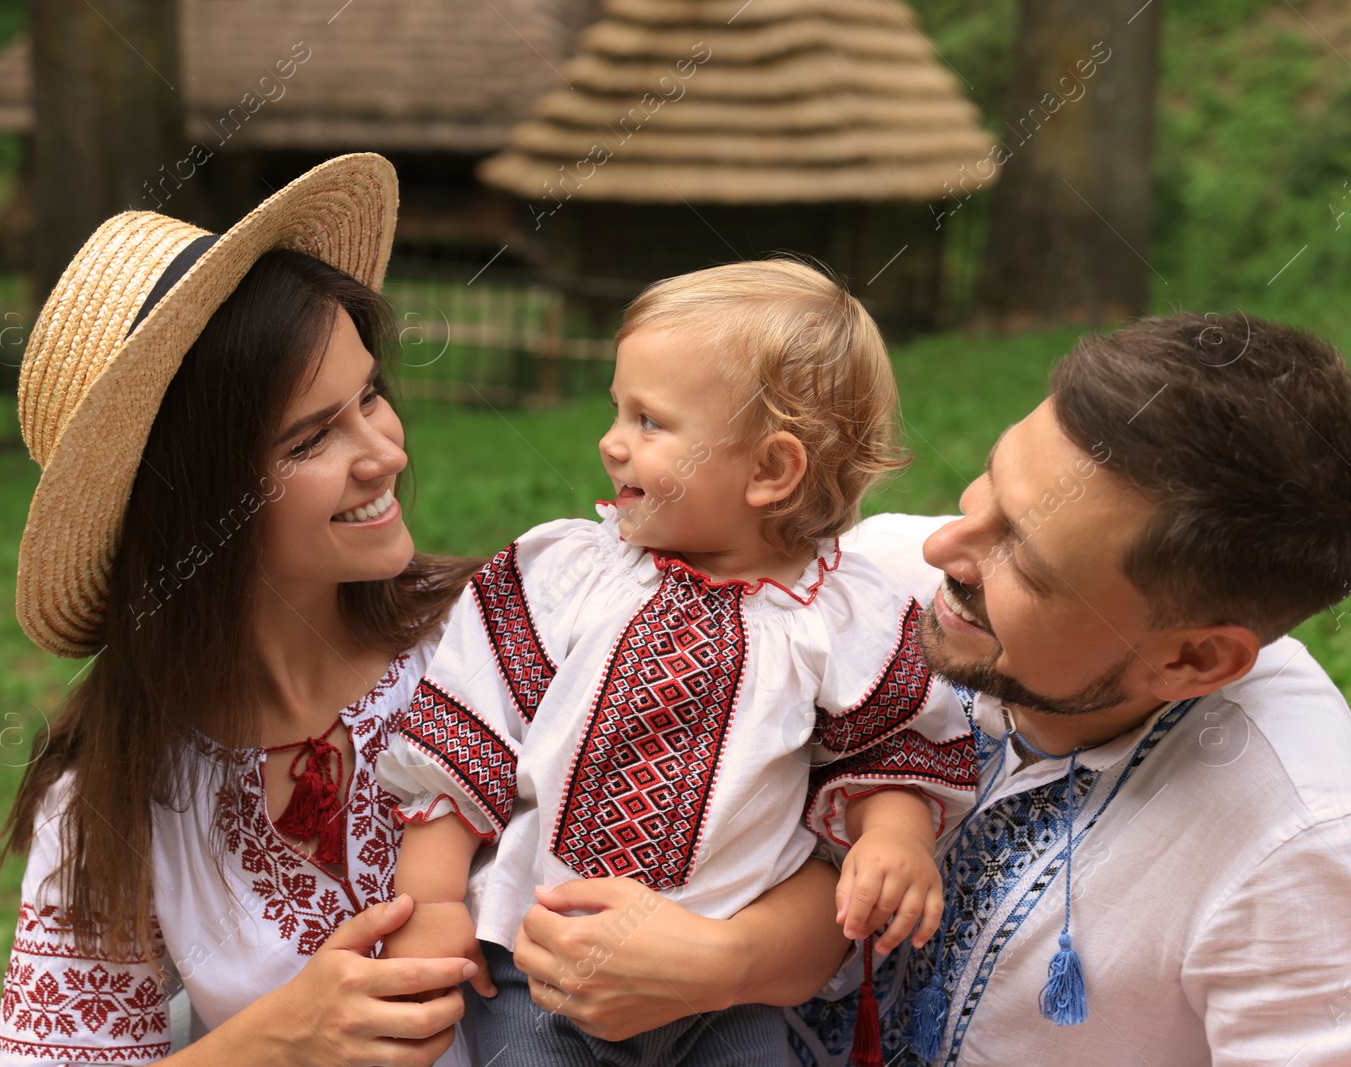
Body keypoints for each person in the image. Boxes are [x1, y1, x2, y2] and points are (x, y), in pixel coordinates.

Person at [0, 155, 855, 1067]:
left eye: (370, 397)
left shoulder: (513, 633)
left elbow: (812, 856)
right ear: (195, 502)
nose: (385, 452)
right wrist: (280, 1041)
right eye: (313, 436)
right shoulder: (118, 792)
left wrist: (725, 961)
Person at [375, 260, 979, 1066]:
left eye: (649, 421)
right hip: (538, 959)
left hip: (723, 983)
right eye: (616, 409)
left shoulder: (843, 615)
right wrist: (435, 899)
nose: (611, 441)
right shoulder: (564, 575)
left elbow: (886, 748)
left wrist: (895, 834)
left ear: (770, 469)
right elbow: (465, 736)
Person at [781, 313, 1351, 1065]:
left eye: (1028, 562)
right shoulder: (861, 588)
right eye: (988, 482)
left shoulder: (1296, 851)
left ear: (1195, 660)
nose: (940, 547)